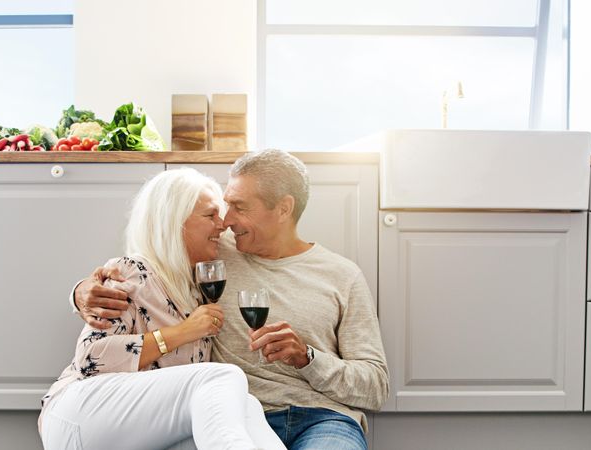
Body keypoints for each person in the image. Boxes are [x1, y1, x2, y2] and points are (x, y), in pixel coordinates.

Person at [74, 150, 388, 450]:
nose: (226, 220)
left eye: (240, 207)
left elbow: (374, 387)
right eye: (225, 206)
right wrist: (82, 292)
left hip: (323, 420)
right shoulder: (213, 247)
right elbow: (153, 254)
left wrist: (308, 358)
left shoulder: (342, 276)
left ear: (283, 208)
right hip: (232, 415)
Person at [40, 168, 285, 450]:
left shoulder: (195, 287)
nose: (222, 225)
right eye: (210, 215)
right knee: (223, 376)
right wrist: (183, 332)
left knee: (245, 404)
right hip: (81, 412)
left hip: (138, 427)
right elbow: (90, 357)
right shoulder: (132, 272)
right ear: (174, 222)